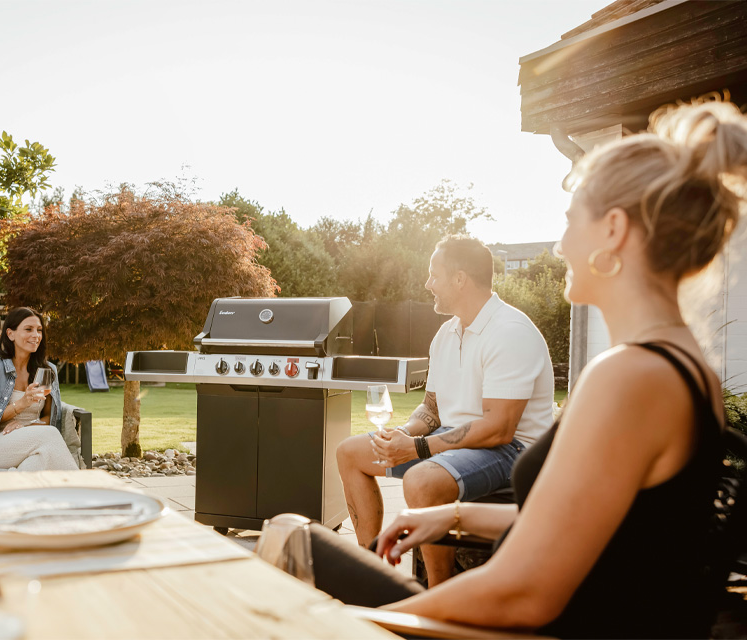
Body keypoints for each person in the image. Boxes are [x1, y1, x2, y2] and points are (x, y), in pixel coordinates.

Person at [308, 101, 744, 639]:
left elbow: (524, 593)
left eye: (568, 223)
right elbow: (596, 530)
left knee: (294, 548)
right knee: (295, 538)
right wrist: (454, 516)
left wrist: (348, 624)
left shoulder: (630, 377)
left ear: (611, 230)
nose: (560, 246)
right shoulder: (678, 366)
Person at [337, 234, 555, 586]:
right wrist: (406, 433)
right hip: (454, 441)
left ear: (459, 279)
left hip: (511, 450)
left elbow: (500, 428)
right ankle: (371, 573)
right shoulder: (446, 333)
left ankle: (434, 596)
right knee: (351, 452)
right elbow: (431, 408)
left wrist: (419, 448)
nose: (428, 284)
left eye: (434, 275)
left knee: (422, 480)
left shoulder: (510, 331)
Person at [0, 307, 78, 471]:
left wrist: (25, 428)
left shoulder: (46, 371)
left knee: (38, 461)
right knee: (50, 434)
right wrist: (21, 404)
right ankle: (80, 485)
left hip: (32, 441)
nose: (36, 335)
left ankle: (15, 482)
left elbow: (48, 417)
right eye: (28, 329)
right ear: (10, 334)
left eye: (39, 330)